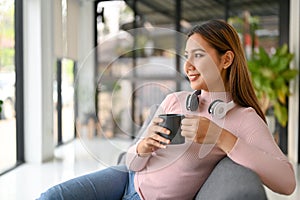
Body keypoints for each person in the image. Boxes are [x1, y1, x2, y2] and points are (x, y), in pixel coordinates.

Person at [38, 19, 296, 200]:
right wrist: (142, 147)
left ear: (226, 59)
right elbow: (132, 163)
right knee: (50, 196)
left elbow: (287, 182)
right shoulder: (176, 100)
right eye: (187, 56)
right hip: (125, 179)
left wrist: (222, 138)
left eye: (199, 55)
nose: (188, 65)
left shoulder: (242, 119)